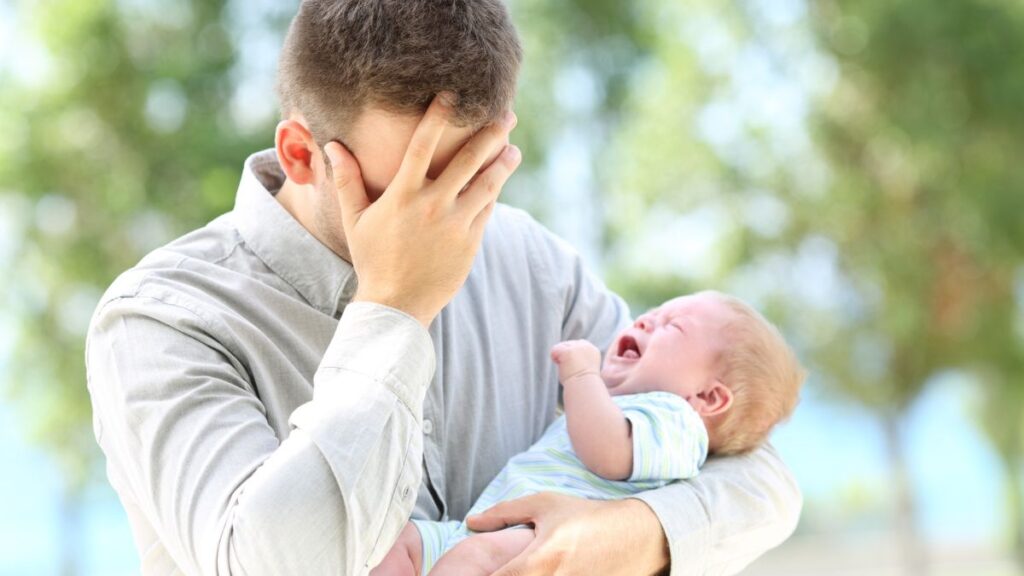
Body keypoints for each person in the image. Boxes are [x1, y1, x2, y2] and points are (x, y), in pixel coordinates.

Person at [85, 1, 802, 575]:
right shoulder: (161, 321)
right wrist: (393, 310)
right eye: (419, 177)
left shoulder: (532, 264)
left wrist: (631, 536)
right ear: (302, 155)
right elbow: (272, 562)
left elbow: (758, 475)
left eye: (478, 171)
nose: (451, 211)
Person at [372, 291, 805, 576]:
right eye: (655, 313)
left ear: (708, 398)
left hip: (539, 542)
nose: (647, 320)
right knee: (400, 543)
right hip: (482, 530)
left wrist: (581, 374)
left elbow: (608, 452)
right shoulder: (630, 404)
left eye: (673, 326)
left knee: (467, 561)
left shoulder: (677, 422)